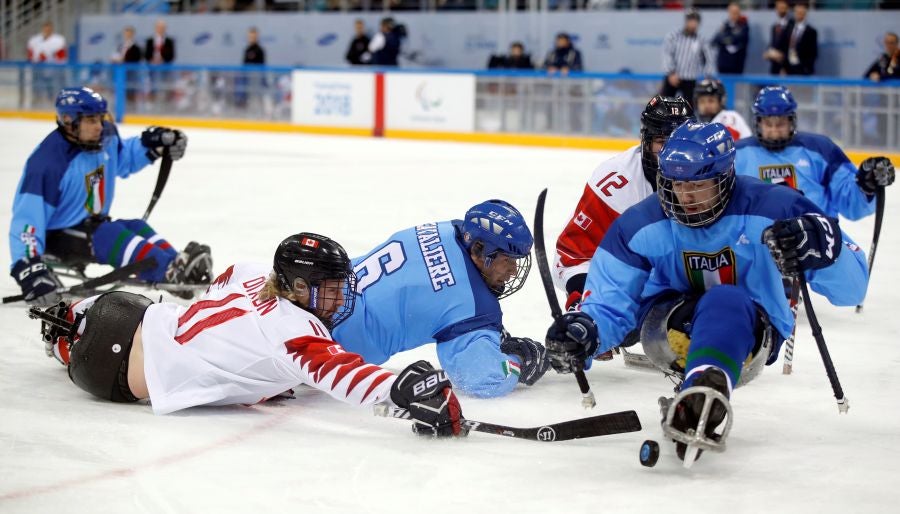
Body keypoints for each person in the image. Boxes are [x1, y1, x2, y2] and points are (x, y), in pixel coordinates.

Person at [544, 121, 868, 465]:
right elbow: (609, 305)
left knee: (725, 300)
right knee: (709, 303)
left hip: (752, 335)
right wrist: (585, 333)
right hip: (667, 327)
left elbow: (852, 289)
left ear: (725, 177)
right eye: (675, 183)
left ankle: (705, 388)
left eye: (698, 184)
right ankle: (703, 389)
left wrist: (825, 248)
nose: (684, 195)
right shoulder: (638, 224)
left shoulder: (777, 209)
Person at [32, 232, 465, 438]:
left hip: (130, 314)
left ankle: (67, 323)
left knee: (75, 322)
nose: (339, 300)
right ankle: (67, 333)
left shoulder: (252, 271)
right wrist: (400, 388)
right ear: (298, 287)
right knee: (79, 335)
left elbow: (219, 287)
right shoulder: (295, 333)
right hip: (113, 367)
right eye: (330, 291)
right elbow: (344, 375)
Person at [8, 87, 208, 307]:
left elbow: (121, 160)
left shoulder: (104, 137)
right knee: (109, 233)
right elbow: (27, 221)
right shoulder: (47, 164)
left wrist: (154, 145)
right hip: (56, 237)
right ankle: (168, 270)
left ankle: (176, 264)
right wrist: (28, 268)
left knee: (135, 226)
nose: (99, 127)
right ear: (68, 120)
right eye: (91, 120)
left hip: (91, 226)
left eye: (100, 119)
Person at [333, 200, 548, 398]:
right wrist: (518, 361)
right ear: (479, 249)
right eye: (507, 260)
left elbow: (441, 294)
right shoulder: (474, 306)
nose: (513, 271)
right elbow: (484, 381)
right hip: (329, 351)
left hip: (318, 293)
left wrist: (487, 335)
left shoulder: (448, 229)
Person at [554, 96, 694, 307]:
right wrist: (584, 300)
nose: (672, 153)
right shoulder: (617, 184)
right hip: (637, 285)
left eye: (680, 143)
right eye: (662, 142)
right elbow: (573, 255)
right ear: (646, 141)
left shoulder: (714, 177)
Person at [735, 86, 895, 222]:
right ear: (758, 123)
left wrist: (866, 185)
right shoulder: (737, 155)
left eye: (781, 123)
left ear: (792, 121)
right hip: (758, 248)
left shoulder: (821, 149)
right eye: (768, 124)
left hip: (818, 244)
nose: (775, 130)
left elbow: (852, 205)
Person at [661, 9, 715, 101]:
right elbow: (667, 54)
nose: (693, 24)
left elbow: (709, 58)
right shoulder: (673, 36)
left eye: (695, 21)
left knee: (689, 108)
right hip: (673, 76)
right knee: (665, 105)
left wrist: (707, 76)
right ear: (686, 21)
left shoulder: (701, 40)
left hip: (690, 79)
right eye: (691, 20)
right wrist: (670, 72)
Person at [712, 2, 749, 75]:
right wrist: (729, 39)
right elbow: (715, 40)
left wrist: (724, 40)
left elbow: (738, 39)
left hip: (737, 65)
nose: (734, 14)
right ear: (728, 12)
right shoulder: (724, 25)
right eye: (732, 12)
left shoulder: (744, 26)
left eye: (736, 12)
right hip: (723, 64)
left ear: (739, 13)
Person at [782, 2, 817, 76]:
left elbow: (813, 53)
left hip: (803, 70)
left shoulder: (811, 32)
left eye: (801, 12)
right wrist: (783, 66)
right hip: (788, 69)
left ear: (805, 14)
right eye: (797, 12)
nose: (798, 14)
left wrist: (806, 69)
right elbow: (784, 48)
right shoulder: (788, 29)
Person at [763, 0, 792, 75]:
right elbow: (773, 44)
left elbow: (794, 47)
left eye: (783, 7)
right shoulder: (774, 26)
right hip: (775, 68)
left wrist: (782, 57)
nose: (781, 10)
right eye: (778, 7)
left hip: (787, 67)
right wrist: (768, 53)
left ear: (787, 8)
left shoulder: (793, 25)